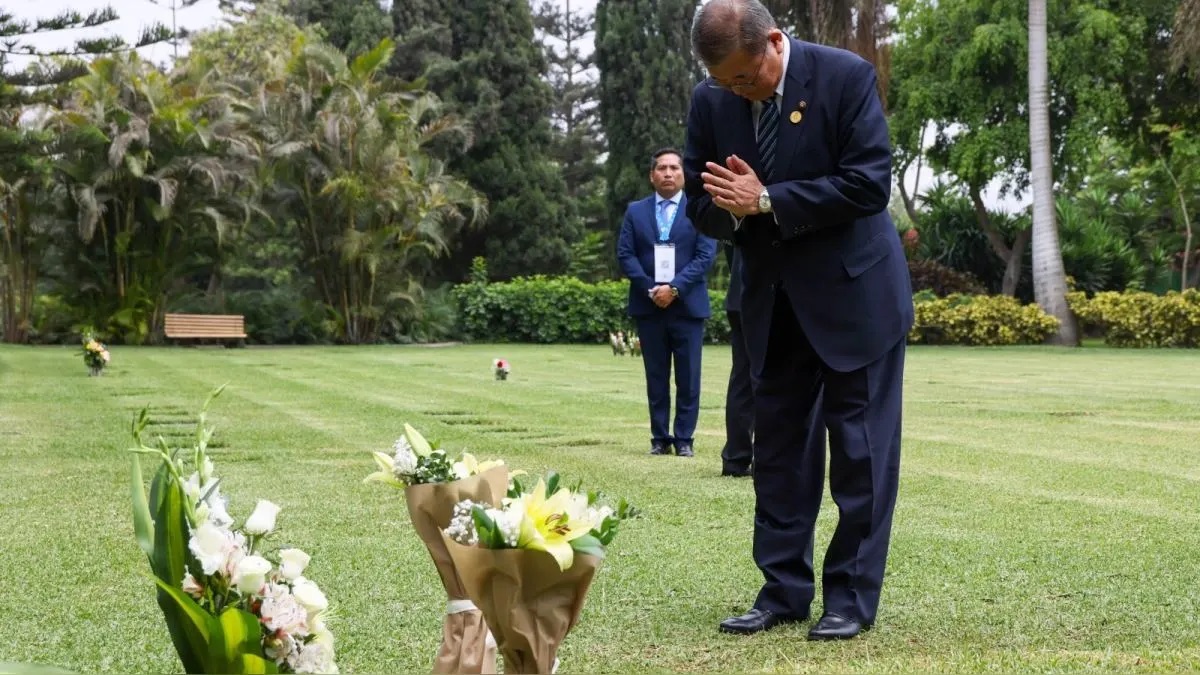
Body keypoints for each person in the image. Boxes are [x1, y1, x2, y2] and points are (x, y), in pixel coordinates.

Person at [683, 0, 914, 641]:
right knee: (780, 453)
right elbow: (699, 205)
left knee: (862, 457)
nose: (737, 92)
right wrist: (731, 209)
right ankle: (782, 592)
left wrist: (768, 199)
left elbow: (868, 184)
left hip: (856, 299)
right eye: (725, 82)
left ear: (774, 44)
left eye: (745, 79)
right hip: (773, 303)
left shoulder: (845, 78)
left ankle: (849, 599)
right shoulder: (712, 101)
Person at [618, 147, 718, 458]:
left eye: (675, 167)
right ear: (652, 176)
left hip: (687, 307)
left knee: (688, 378)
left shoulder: (700, 208)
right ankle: (659, 438)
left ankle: (684, 438)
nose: (668, 173)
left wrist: (674, 289)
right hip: (649, 307)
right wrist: (652, 289)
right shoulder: (636, 211)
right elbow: (626, 255)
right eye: (662, 168)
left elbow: (705, 256)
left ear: (684, 175)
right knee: (656, 376)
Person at [720, 244, 827, 479]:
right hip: (769, 295)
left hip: (740, 293)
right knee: (774, 376)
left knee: (742, 377)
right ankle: (770, 459)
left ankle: (736, 456)